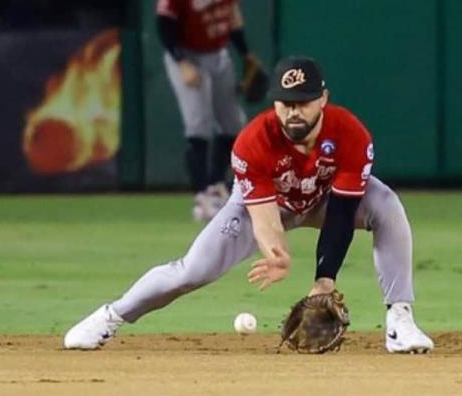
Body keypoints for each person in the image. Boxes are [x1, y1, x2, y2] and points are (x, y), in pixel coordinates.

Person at [64, 56, 434, 354]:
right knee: (192, 271)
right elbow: (263, 213)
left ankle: (400, 319)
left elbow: (340, 213)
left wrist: (323, 281)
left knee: (385, 204)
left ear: (323, 99)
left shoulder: (350, 133)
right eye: (285, 103)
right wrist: (276, 252)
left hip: (324, 201)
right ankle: (110, 317)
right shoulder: (254, 139)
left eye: (303, 102)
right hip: (268, 206)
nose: (293, 112)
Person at [156, 0, 260, 222]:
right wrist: (181, 62)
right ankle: (201, 195)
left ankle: (216, 184)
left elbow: (232, 13)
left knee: (232, 123)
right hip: (186, 54)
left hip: (218, 52)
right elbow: (163, 25)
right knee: (198, 125)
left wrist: (245, 53)